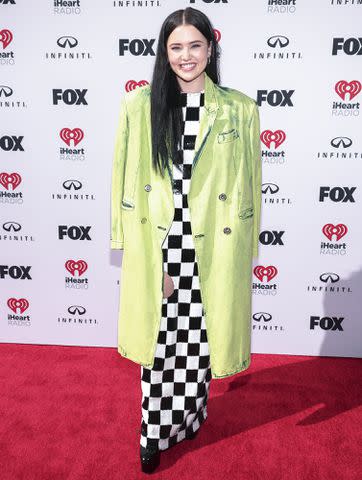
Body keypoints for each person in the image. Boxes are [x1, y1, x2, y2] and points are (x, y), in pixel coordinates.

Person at [110, 6, 262, 474]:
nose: (186, 56)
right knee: (160, 344)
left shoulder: (240, 108)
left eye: (195, 45)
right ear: (164, 52)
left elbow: (251, 185)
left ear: (210, 48)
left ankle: (192, 415)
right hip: (161, 244)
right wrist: (127, 244)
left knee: (201, 339)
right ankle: (152, 434)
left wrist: (245, 251)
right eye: (176, 47)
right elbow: (123, 178)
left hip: (214, 245)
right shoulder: (139, 105)